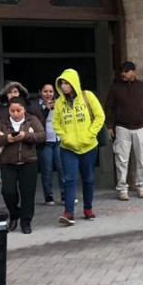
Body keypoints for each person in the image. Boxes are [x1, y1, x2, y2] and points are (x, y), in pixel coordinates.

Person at [53, 68, 105, 225]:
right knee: (69, 179)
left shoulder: (88, 96)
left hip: (89, 146)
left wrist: (90, 134)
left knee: (88, 179)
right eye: (61, 83)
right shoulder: (59, 103)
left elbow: (100, 116)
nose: (63, 86)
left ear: (74, 83)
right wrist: (65, 137)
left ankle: (88, 209)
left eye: (66, 83)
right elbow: (56, 122)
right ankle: (68, 213)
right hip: (68, 148)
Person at [0, 97, 45, 234]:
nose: (15, 113)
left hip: (28, 162)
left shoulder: (32, 120)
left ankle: (26, 222)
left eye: (18, 110)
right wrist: (6, 138)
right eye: (12, 111)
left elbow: (42, 136)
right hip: (8, 162)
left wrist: (25, 135)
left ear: (24, 110)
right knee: (8, 191)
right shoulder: (2, 122)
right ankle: (14, 215)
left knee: (27, 194)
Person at [106, 61, 143, 201]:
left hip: (140, 127)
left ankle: (142, 187)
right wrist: (110, 126)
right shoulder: (115, 88)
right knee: (121, 159)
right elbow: (108, 107)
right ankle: (122, 189)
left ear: (133, 72)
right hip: (122, 128)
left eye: (126, 71)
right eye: (122, 71)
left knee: (141, 158)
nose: (123, 74)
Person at [36, 83, 61, 206]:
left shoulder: (59, 103)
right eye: (45, 91)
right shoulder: (36, 106)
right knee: (47, 169)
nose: (48, 94)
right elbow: (39, 120)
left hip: (58, 139)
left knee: (62, 167)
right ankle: (48, 196)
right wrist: (46, 108)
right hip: (45, 141)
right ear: (40, 92)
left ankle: (65, 195)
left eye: (51, 91)